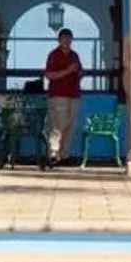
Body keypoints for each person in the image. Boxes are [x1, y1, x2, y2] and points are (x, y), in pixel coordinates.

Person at [42, 26, 84, 169]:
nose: (67, 41)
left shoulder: (74, 55)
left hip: (74, 94)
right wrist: (68, 71)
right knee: (57, 125)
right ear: (59, 40)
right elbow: (49, 75)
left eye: (69, 38)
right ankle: (53, 154)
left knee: (70, 126)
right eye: (64, 38)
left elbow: (79, 71)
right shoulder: (53, 55)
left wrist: (79, 73)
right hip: (58, 95)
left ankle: (65, 155)